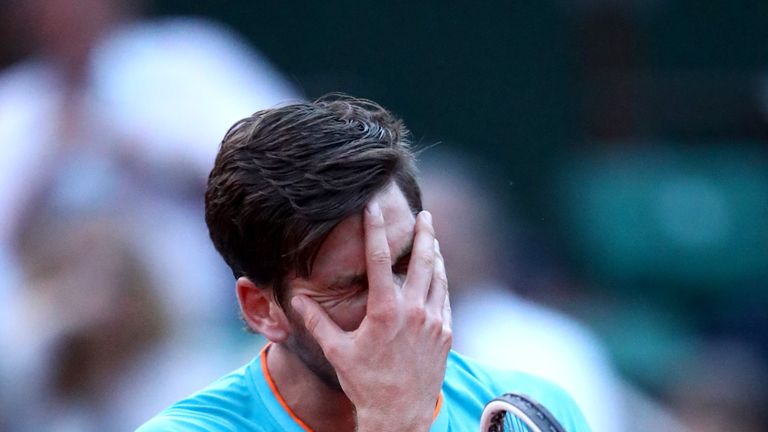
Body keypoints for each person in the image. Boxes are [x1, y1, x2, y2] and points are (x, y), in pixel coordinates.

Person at [137, 95, 590, 431]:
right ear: (261, 308)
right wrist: (394, 421)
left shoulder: (530, 413)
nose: (397, 307)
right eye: (353, 286)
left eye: (406, 262)